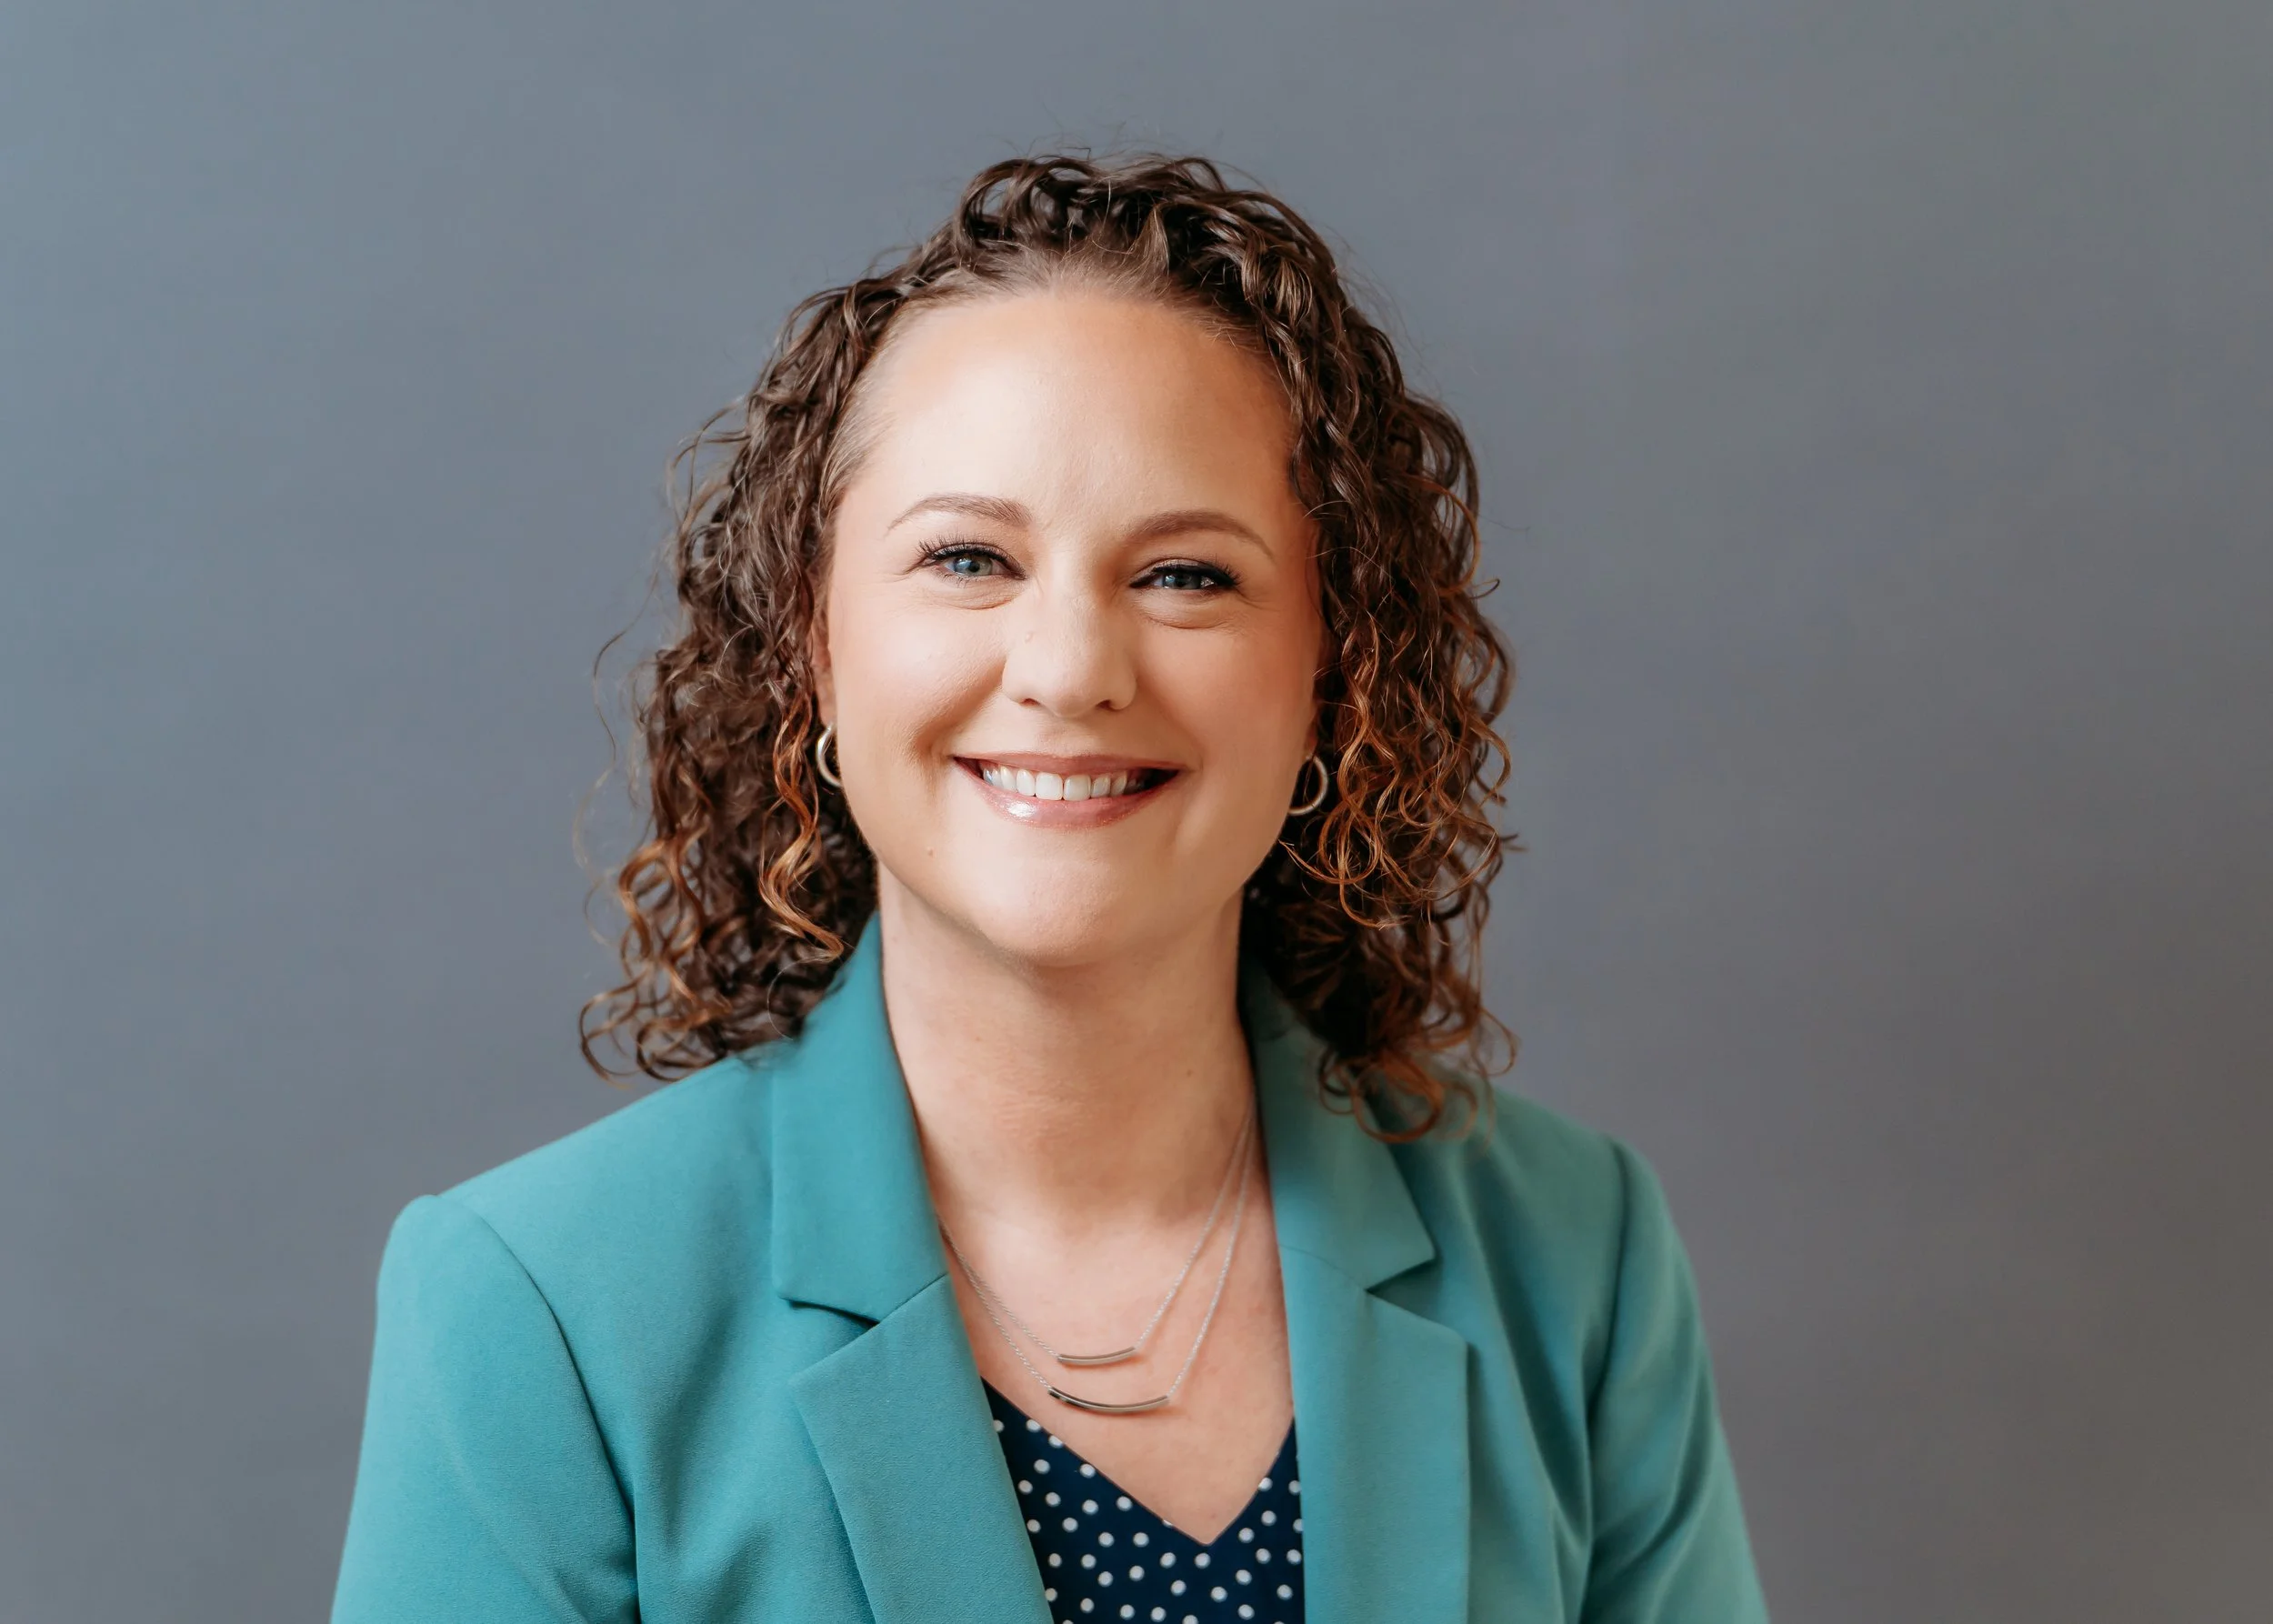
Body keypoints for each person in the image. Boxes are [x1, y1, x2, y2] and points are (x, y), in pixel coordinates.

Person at [330, 152, 1769, 1624]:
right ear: (815, 647)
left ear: (1331, 669)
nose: (1072, 667)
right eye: (968, 557)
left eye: (1188, 575)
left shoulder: (1572, 1252)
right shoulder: (543, 1308)